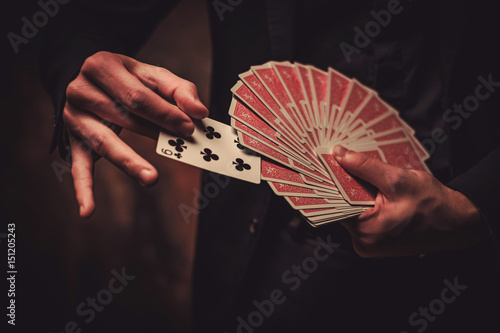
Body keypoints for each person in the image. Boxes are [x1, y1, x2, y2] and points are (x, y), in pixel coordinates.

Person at [40, 0, 500, 331]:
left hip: (470, 267)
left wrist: (476, 206)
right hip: (261, 259)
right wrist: (79, 69)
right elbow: (79, 15)